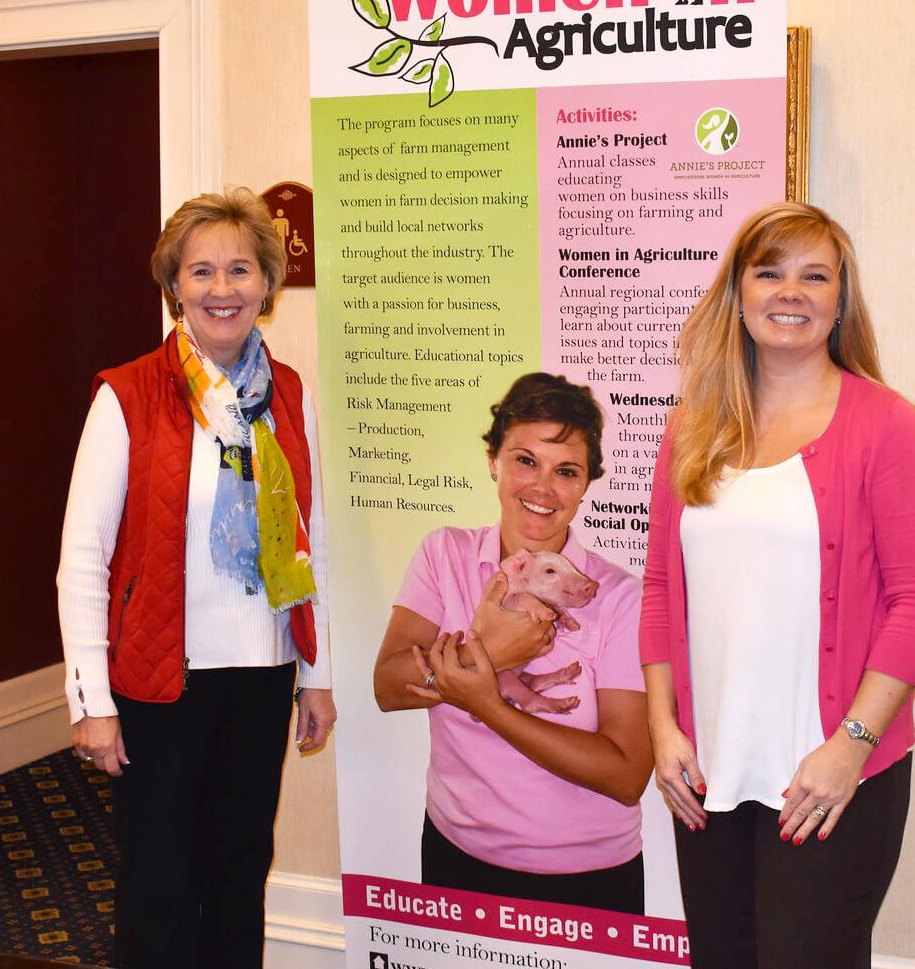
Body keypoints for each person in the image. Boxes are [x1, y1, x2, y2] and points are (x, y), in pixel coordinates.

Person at [640, 201, 915, 967]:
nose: (791, 292)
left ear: (840, 301)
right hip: (708, 776)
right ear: (737, 294)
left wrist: (851, 746)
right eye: (770, 272)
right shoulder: (692, 428)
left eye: (815, 276)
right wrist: (663, 728)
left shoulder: (888, 427)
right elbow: (657, 587)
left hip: (828, 778)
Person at [56, 188, 336, 969]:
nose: (224, 290)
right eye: (203, 271)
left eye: (241, 270)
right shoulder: (128, 395)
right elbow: (83, 557)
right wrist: (92, 702)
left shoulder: (288, 394)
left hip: (262, 671)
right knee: (162, 884)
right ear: (174, 285)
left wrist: (317, 672)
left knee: (241, 870)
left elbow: (307, 540)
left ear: (266, 287)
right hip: (159, 683)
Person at [374, 373, 653, 913]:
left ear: (585, 486)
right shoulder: (445, 556)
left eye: (566, 471)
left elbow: (626, 775)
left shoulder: (621, 597)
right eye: (525, 460)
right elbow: (387, 686)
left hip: (587, 881)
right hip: (455, 856)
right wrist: (492, 654)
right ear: (493, 462)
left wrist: (486, 701)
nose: (543, 488)